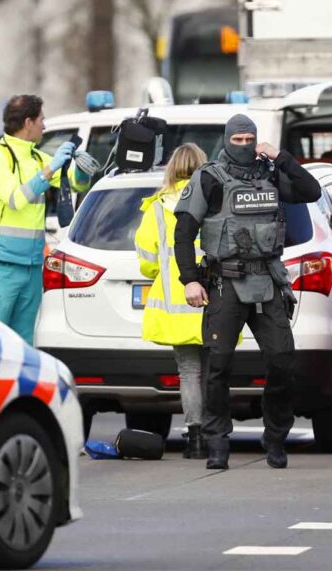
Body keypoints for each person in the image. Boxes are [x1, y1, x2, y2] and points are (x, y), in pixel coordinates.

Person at [173, 114, 321, 470]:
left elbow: (311, 191)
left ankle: (275, 438)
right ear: (226, 140)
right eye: (236, 140)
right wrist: (190, 279)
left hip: (268, 280)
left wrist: (280, 156)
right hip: (225, 282)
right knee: (218, 366)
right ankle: (217, 443)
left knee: (283, 360)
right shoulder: (209, 177)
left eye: (248, 140)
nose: (243, 146)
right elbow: (183, 232)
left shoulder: (269, 173)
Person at [0, 94, 75, 344]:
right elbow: (16, 198)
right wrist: (51, 170)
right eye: (41, 119)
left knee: (23, 344)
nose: (44, 125)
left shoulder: (37, 158)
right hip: (1, 266)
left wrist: (82, 166)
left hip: (31, 266)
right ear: (28, 122)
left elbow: (76, 182)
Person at [135, 143, 211, 459]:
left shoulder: (157, 207)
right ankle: (211, 432)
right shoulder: (212, 202)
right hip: (212, 298)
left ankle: (195, 437)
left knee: (189, 371)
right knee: (210, 371)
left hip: (175, 304)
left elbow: (147, 261)